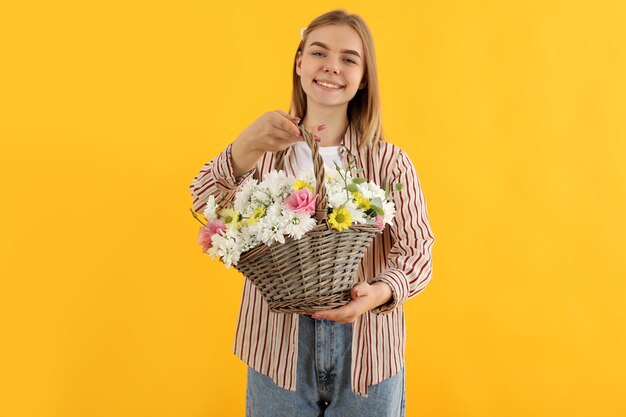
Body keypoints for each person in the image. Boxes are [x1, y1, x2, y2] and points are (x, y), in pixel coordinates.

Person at [189, 9, 434, 417]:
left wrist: (378, 292)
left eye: (349, 59)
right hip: (276, 347)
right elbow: (203, 203)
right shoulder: (265, 152)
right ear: (300, 63)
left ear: (363, 77)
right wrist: (245, 144)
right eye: (319, 52)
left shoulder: (389, 162)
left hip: (368, 347)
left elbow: (418, 252)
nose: (331, 67)